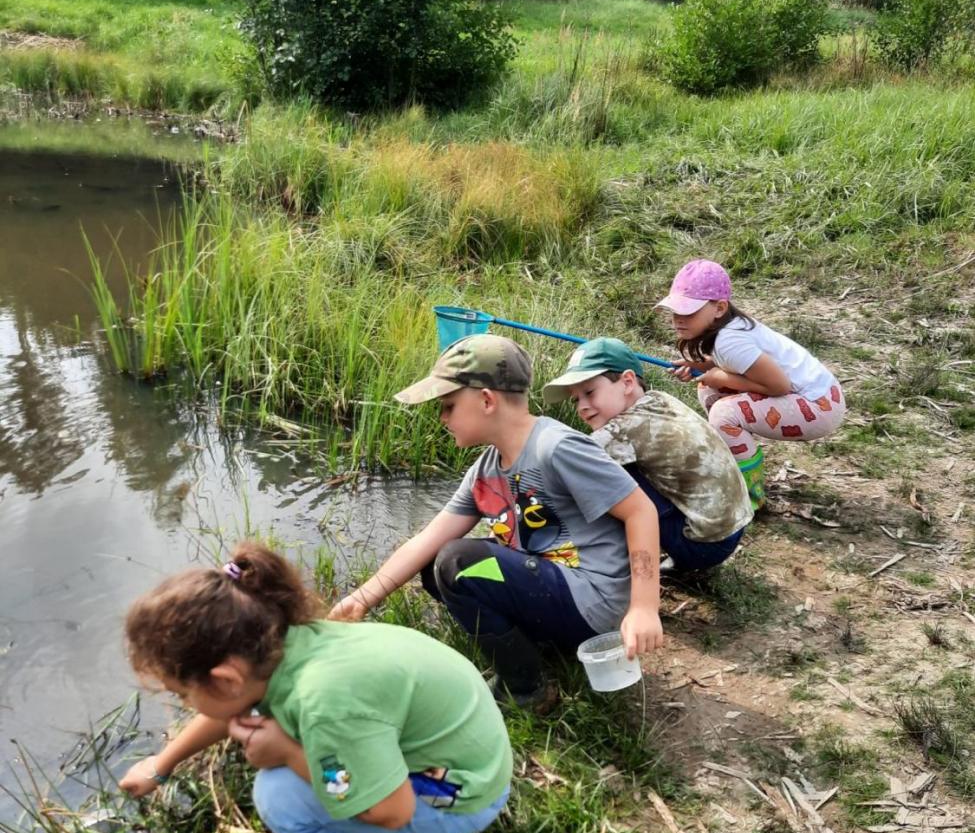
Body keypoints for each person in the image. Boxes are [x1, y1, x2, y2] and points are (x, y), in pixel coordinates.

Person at [119, 541, 513, 833]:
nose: (185, 703)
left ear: (225, 679)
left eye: (181, 694)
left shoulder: (324, 703)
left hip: (468, 792)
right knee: (298, 766)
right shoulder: (284, 644)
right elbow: (226, 711)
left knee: (280, 800)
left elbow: (390, 810)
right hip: (464, 749)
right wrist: (160, 765)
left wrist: (290, 755)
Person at [328, 334, 664, 709]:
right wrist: (359, 600)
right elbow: (426, 539)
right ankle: (529, 647)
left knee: (458, 562)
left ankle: (527, 689)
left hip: (592, 600)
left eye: (448, 405)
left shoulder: (556, 447)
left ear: (487, 400)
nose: (441, 418)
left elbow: (640, 511)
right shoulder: (486, 469)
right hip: (551, 587)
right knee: (436, 562)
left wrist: (644, 607)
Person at [542, 338, 752, 572]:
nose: (582, 406)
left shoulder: (626, 429)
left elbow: (568, 459)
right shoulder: (658, 400)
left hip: (703, 545)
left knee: (596, 475)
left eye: (589, 392)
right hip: (733, 525)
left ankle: (609, 562)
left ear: (628, 382)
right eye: (575, 399)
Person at [657, 259, 846, 509]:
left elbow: (778, 386)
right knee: (709, 389)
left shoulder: (729, 341)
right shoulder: (729, 330)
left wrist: (718, 376)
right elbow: (735, 365)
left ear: (719, 308)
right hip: (822, 396)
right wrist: (702, 367)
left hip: (819, 408)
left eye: (689, 312)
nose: (678, 319)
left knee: (724, 413)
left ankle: (749, 498)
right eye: (676, 311)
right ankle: (735, 459)